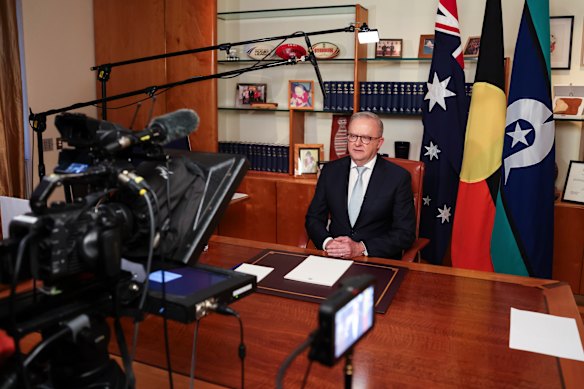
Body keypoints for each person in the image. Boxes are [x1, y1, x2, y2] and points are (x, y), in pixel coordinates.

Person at [305, 111, 415, 259]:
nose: (357, 143)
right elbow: (314, 218)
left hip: (376, 260)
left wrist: (361, 248)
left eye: (366, 138)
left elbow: (405, 233)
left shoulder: (398, 178)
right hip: (335, 257)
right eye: (353, 136)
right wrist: (328, 243)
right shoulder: (330, 171)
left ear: (379, 143)